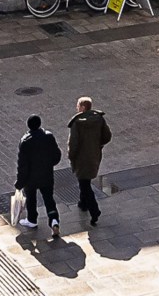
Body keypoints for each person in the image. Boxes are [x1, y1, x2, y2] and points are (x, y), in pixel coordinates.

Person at [13, 115, 61, 240]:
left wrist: (20, 182)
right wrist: (49, 164)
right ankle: (54, 220)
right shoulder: (48, 136)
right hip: (47, 174)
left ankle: (32, 219)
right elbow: (57, 155)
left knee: (31, 198)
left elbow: (22, 165)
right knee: (49, 198)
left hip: (31, 178)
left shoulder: (25, 141)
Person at [65, 97, 110, 228]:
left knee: (84, 184)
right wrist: (98, 145)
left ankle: (94, 211)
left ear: (83, 108)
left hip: (81, 158)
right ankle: (83, 203)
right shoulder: (99, 119)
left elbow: (73, 143)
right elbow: (107, 136)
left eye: (78, 106)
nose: (76, 108)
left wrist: (71, 155)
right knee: (85, 180)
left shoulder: (77, 123)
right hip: (94, 155)